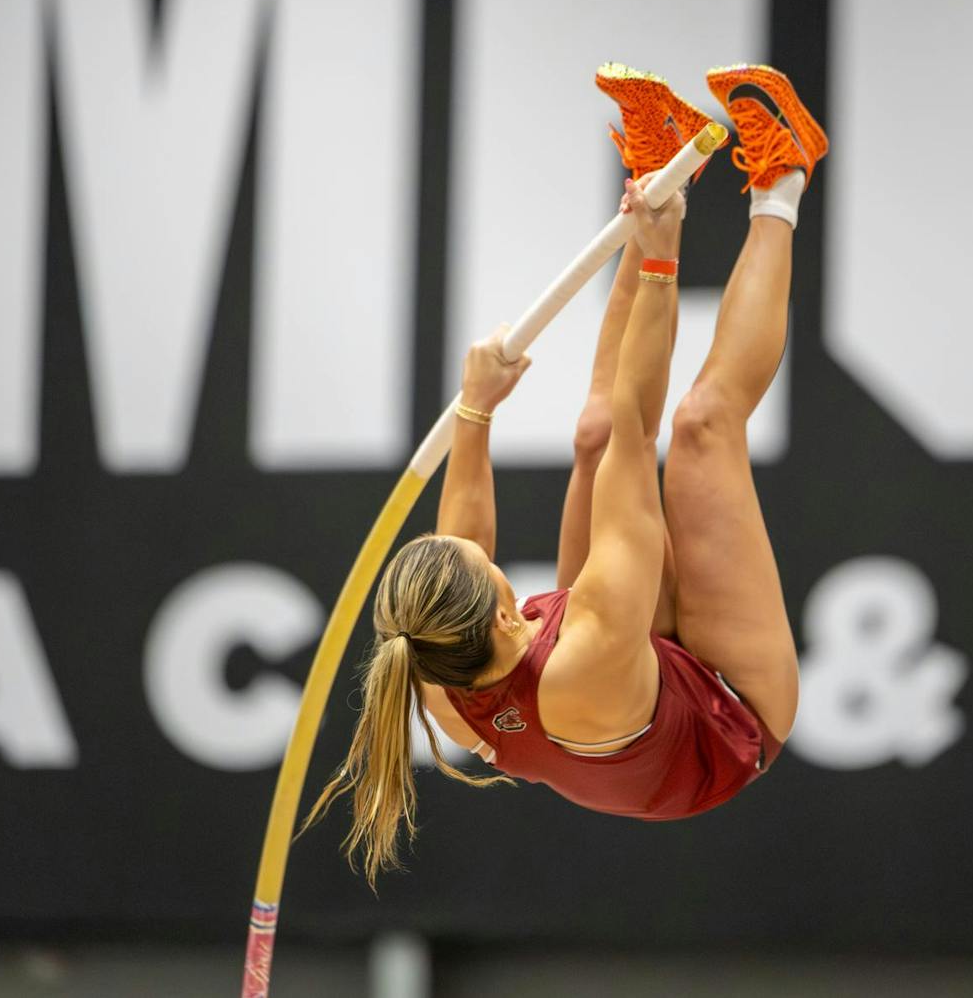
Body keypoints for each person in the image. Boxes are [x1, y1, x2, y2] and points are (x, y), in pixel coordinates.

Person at [308, 62, 828, 887]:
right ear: (506, 605)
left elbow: (464, 536)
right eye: (485, 565)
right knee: (698, 427)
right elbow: (638, 428)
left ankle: (657, 172)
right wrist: (659, 263)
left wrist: (476, 409)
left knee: (584, 431)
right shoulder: (581, 647)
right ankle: (784, 175)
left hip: (625, 683)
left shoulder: (437, 665)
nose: (484, 549)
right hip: (729, 719)